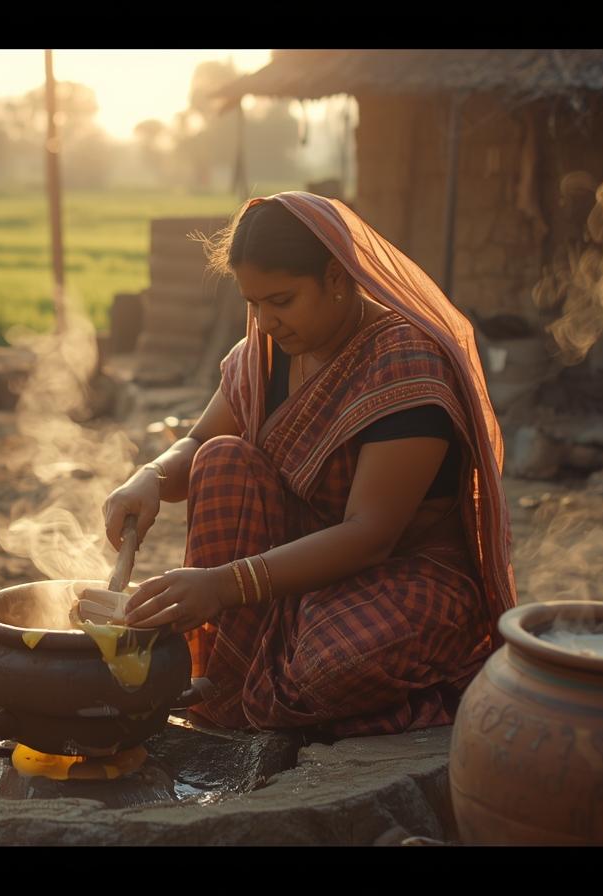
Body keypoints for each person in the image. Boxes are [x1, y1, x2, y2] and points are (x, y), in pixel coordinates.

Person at [98, 192, 516, 738]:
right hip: (292, 567)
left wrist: (222, 586)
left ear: (337, 277)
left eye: (282, 300)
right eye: (253, 304)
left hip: (403, 571)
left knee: (323, 670)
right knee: (222, 460)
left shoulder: (404, 363)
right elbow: (199, 440)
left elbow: (370, 535)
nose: (265, 321)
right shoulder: (265, 354)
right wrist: (149, 477)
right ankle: (241, 677)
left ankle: (274, 666)